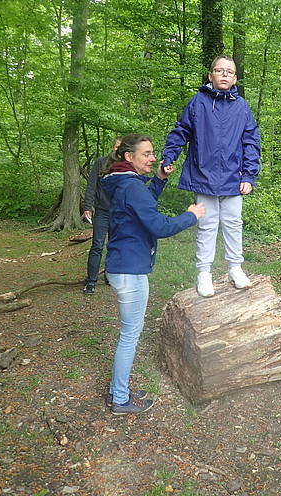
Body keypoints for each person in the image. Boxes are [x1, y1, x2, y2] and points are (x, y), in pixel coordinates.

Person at [101, 133, 205, 415]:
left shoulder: (123, 181)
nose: (153, 158)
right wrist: (191, 216)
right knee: (129, 336)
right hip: (129, 270)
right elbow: (159, 226)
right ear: (129, 157)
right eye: (146, 154)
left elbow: (143, 205)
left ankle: (118, 390)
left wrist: (159, 179)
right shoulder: (131, 185)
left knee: (128, 334)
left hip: (124, 266)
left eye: (152, 153)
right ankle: (120, 399)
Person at [161, 55, 261, 298]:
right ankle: (204, 273)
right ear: (210, 75)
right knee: (206, 225)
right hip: (203, 175)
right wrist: (169, 157)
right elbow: (181, 131)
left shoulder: (241, 107)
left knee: (233, 223)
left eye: (229, 71)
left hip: (234, 178)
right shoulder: (198, 102)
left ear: (235, 78)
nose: (224, 74)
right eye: (219, 70)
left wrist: (249, 175)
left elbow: (251, 141)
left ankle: (235, 268)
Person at [82, 137, 122, 295]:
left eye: (121, 147)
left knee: (114, 245)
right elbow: (91, 185)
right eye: (117, 146)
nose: (118, 150)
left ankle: (109, 275)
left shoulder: (126, 165)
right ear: (113, 147)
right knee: (97, 245)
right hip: (102, 211)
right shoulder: (101, 162)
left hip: (119, 212)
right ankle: (91, 282)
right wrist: (88, 206)